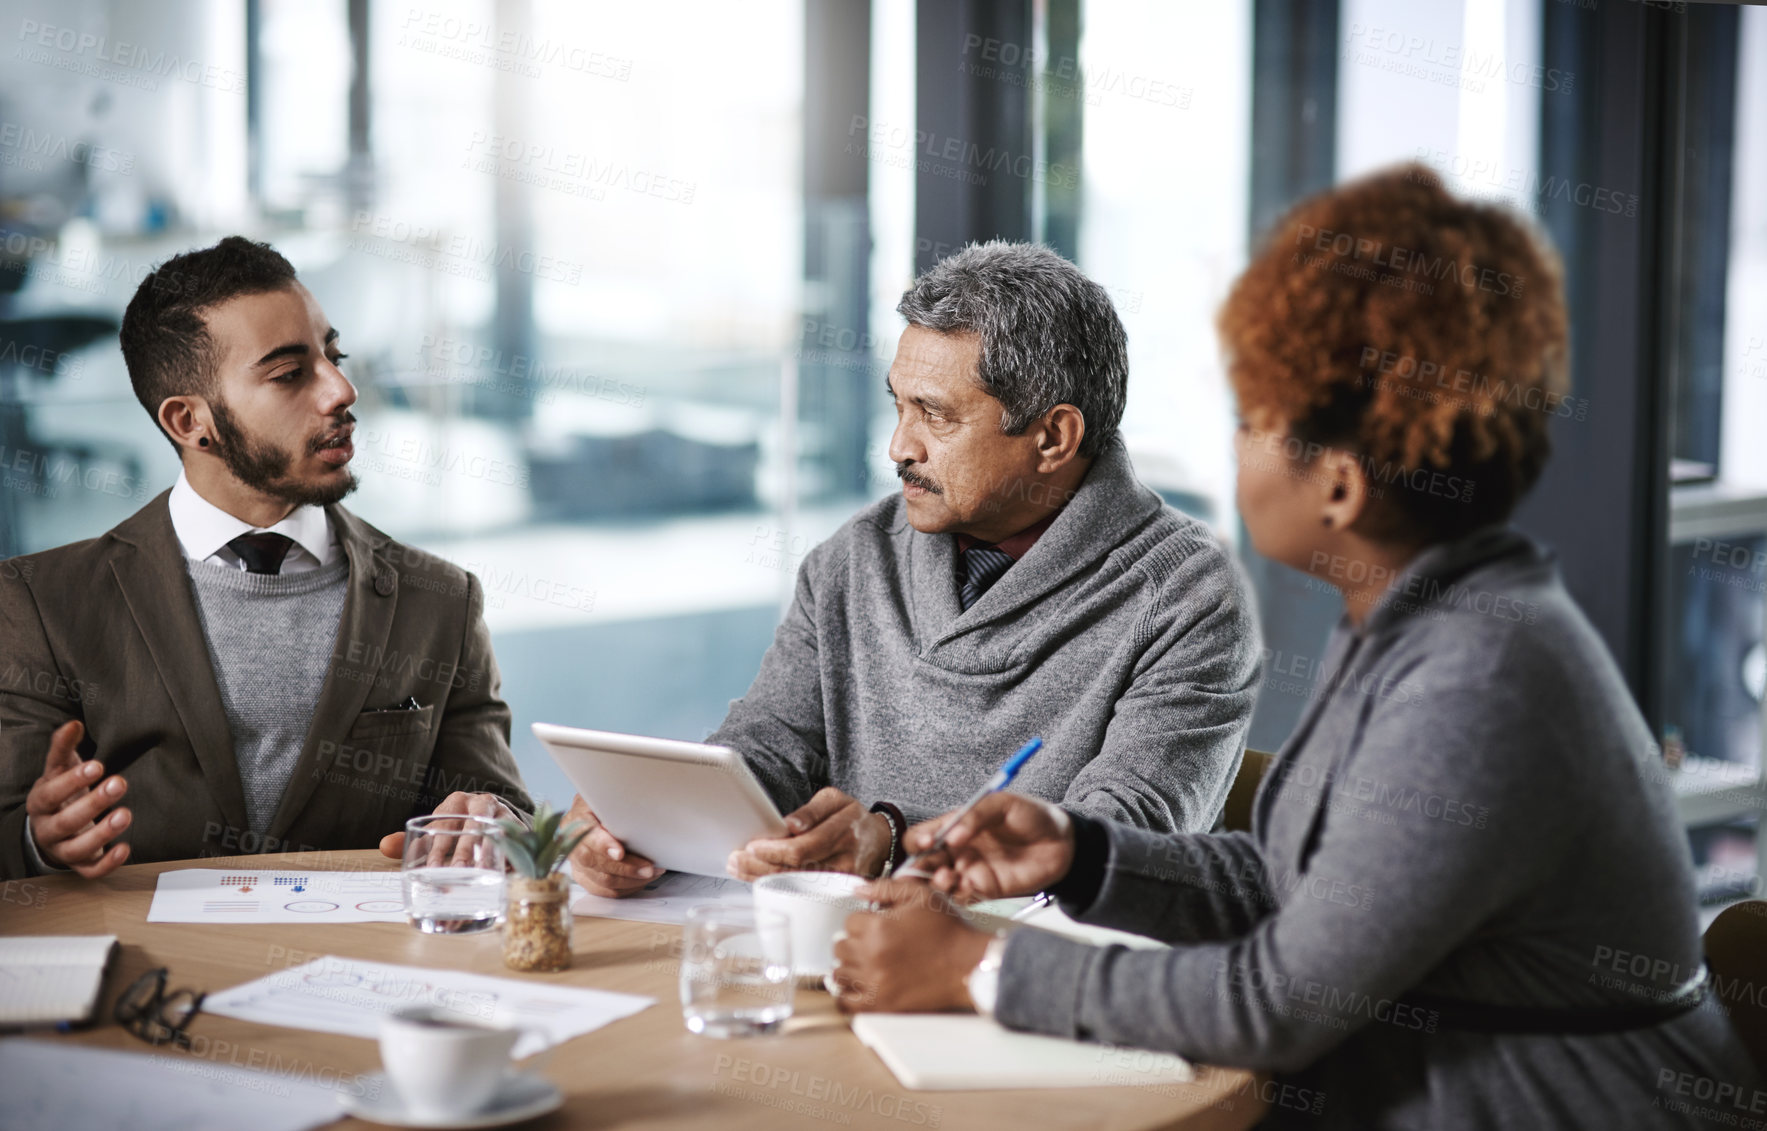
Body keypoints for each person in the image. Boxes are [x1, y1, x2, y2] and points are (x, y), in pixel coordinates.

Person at [826, 167, 1761, 1128]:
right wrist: (1080, 854)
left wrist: (983, 965)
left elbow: (1277, 1002)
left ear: (1341, 489)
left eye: (1249, 423)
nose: (1229, 453)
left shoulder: (1479, 680)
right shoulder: (1419, 621)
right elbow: (1287, 888)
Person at [569, 242, 1261, 897]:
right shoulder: (853, 556)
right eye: (898, 405)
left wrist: (895, 843)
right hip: (843, 951)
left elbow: (1123, 846)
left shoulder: (1186, 595)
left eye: (934, 415)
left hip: (1028, 984)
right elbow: (768, 748)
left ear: (1052, 437)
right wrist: (647, 820)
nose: (899, 445)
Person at [0, 236, 532, 880]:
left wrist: (494, 822)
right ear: (190, 422)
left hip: (367, 966)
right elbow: (11, 830)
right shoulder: (41, 602)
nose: (342, 389)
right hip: (150, 968)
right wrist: (40, 840)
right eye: (289, 373)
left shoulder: (442, 600)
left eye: (333, 356)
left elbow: (506, 816)